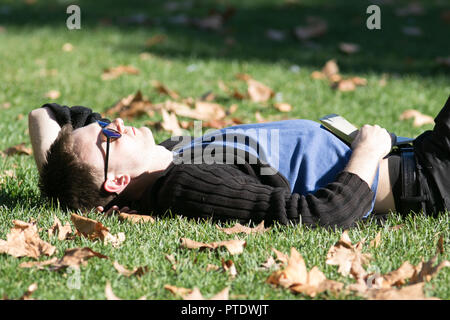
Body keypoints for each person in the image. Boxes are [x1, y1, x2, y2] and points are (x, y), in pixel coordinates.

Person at [28, 95, 450, 229]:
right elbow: (315, 216)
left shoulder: (168, 155)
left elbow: (46, 116)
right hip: (427, 177)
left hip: (422, 156)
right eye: (109, 135)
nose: (115, 122)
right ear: (118, 182)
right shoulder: (185, 184)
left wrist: (61, 181)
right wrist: (367, 153)